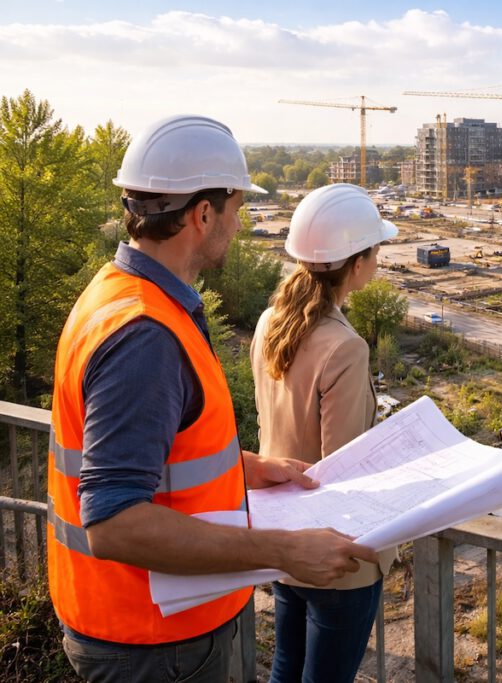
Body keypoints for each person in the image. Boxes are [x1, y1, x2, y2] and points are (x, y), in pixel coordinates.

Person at [47, 115, 378, 683]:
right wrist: (281, 552)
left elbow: (160, 453)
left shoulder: (118, 296)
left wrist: (249, 468)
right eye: (236, 208)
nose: (240, 223)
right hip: (151, 641)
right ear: (203, 215)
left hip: (142, 627)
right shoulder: (146, 335)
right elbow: (114, 522)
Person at [250, 183, 399, 683]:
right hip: (335, 555)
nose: (377, 260)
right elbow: (343, 467)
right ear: (355, 265)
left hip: (283, 533)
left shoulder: (270, 322)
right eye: (374, 251)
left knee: (286, 667)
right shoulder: (345, 347)